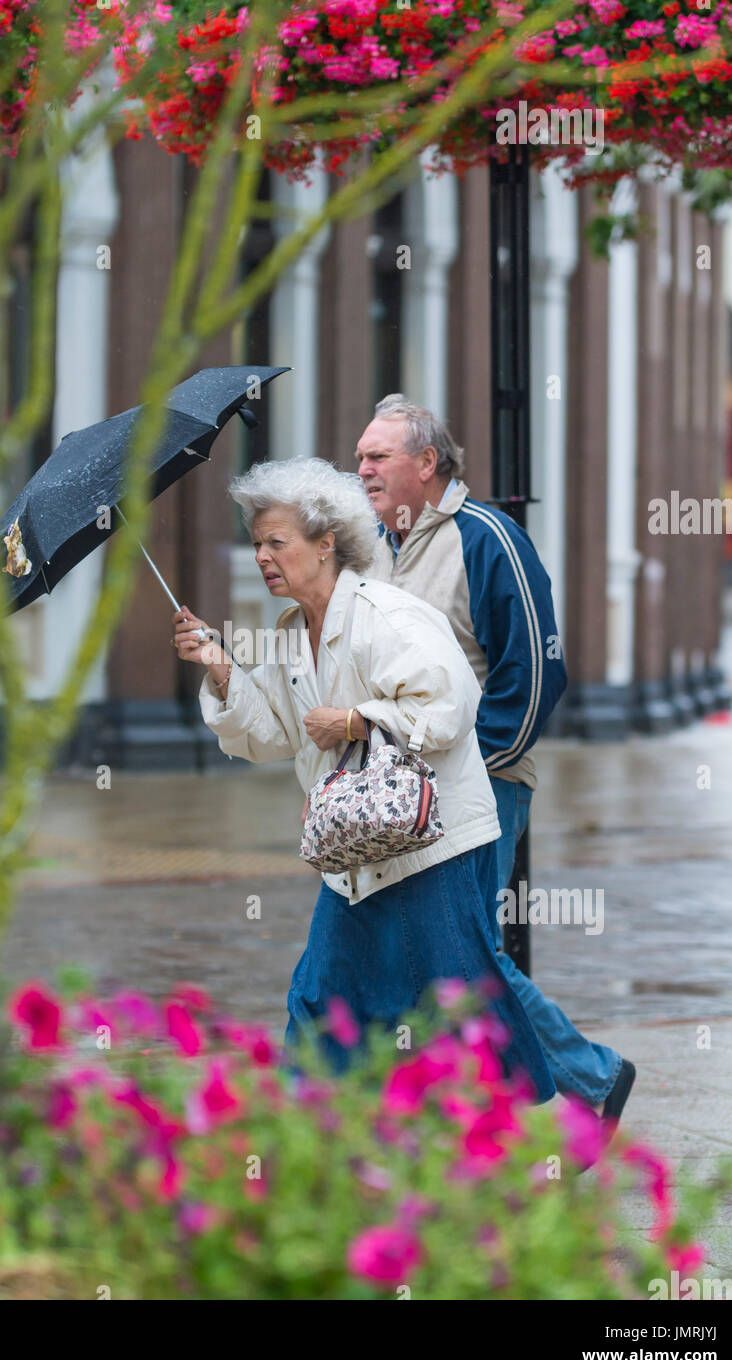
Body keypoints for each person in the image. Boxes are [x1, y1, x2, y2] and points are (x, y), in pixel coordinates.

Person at [172, 454, 555, 1100]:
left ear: (325, 545)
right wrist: (217, 666)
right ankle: (313, 1134)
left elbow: (450, 705)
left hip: (431, 844)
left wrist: (354, 719)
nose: (262, 556)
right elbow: (271, 729)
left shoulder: (385, 617)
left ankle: (530, 1131)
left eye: (277, 542)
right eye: (256, 542)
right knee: (319, 997)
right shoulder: (293, 634)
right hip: (356, 852)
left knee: (461, 1004)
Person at [356, 393, 635, 1130]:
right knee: (434, 951)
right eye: (358, 457)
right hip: (398, 796)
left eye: (376, 456)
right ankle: (460, 1103)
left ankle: (587, 1078)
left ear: (426, 462)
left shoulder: (487, 538)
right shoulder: (376, 547)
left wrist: (473, 770)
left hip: (482, 788)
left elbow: (536, 674)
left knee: (462, 952)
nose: (362, 469)